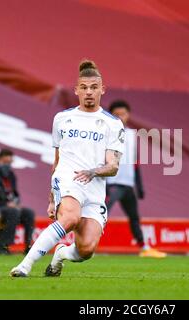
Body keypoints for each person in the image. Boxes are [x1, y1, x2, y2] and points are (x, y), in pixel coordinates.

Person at [10, 59, 124, 277]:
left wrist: (93, 172)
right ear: (76, 90)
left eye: (93, 87)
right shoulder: (62, 119)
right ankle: (25, 265)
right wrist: (52, 198)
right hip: (68, 179)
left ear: (102, 89)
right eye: (84, 88)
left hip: (94, 187)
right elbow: (57, 159)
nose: (89, 92)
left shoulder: (113, 124)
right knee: (70, 218)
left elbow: (113, 166)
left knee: (86, 249)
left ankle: (61, 253)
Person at [106, 100, 166, 258]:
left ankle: (144, 248)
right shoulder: (104, 134)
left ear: (128, 115)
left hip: (127, 184)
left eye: (123, 114)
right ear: (110, 115)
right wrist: (103, 184)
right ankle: (84, 243)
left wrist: (139, 185)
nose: (120, 117)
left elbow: (135, 162)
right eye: (116, 114)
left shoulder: (132, 135)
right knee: (101, 215)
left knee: (134, 217)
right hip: (111, 183)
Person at [0, 149, 35, 254]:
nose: (7, 165)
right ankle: (3, 246)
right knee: (13, 212)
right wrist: (6, 204)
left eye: (9, 163)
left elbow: (14, 193)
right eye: (5, 162)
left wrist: (16, 203)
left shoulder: (10, 175)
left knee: (29, 212)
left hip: (10, 206)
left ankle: (29, 246)